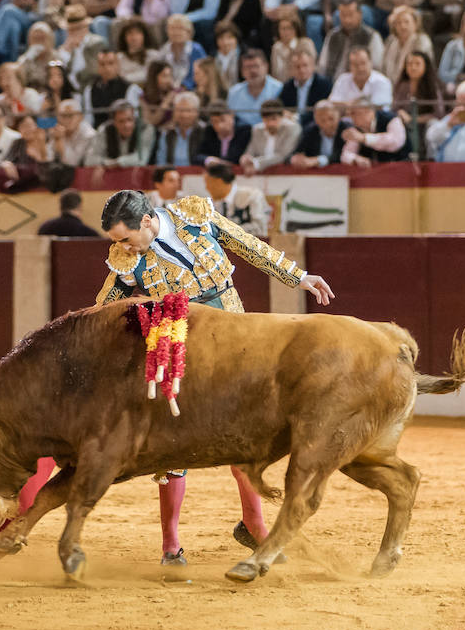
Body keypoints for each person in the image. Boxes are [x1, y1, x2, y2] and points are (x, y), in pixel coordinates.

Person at [96, 187, 333, 565]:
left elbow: (248, 245)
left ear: (146, 220)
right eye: (116, 242)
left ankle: (254, 527)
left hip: (238, 339)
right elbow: (103, 310)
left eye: (125, 238)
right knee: (173, 441)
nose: (123, 248)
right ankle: (170, 547)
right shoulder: (124, 261)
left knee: (245, 432)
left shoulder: (195, 215)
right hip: (183, 346)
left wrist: (298, 276)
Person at [205, 164, 272, 236]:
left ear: (218, 182)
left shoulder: (252, 196)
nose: (207, 188)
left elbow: (260, 228)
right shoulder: (216, 204)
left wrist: (228, 232)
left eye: (208, 183)